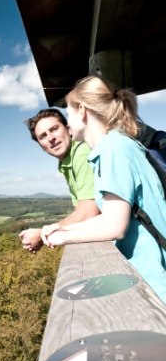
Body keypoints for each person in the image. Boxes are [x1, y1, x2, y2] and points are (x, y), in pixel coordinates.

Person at [41, 75, 166, 303]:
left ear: (82, 110)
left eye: (68, 113)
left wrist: (62, 238)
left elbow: (114, 226)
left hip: (156, 280)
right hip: (147, 276)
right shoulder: (114, 146)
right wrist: (61, 230)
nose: (67, 123)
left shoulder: (113, 147)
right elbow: (111, 215)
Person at [19, 108, 100, 252]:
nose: (50, 138)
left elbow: (88, 212)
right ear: (41, 147)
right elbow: (80, 210)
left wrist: (42, 234)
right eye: (43, 136)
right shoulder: (66, 162)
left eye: (54, 129)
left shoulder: (82, 152)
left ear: (68, 129)